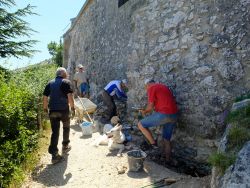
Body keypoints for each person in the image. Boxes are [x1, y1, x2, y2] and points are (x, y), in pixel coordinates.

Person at [138, 79, 178, 162]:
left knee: (140, 124)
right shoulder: (164, 87)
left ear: (148, 85)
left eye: (146, 87)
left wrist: (144, 111)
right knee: (166, 139)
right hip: (174, 115)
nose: (146, 89)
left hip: (164, 114)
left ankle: (154, 144)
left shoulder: (152, 88)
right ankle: (167, 160)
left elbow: (150, 106)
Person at [43, 67, 75, 164]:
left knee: (55, 132)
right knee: (66, 127)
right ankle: (65, 145)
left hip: (53, 111)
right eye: (66, 73)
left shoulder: (50, 83)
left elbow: (45, 97)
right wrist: (73, 108)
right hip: (64, 110)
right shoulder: (66, 82)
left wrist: (45, 109)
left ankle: (54, 156)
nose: (67, 74)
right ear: (62, 74)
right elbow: (70, 96)